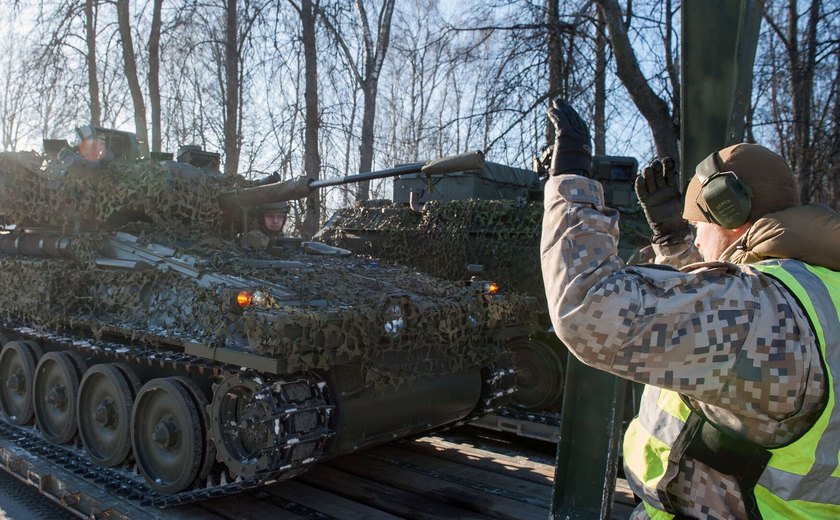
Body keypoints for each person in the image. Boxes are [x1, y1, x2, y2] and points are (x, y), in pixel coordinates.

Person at [541, 97, 840, 519]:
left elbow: (589, 307)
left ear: (731, 213)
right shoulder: (817, 292)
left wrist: (570, 183)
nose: (697, 240)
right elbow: (719, 346)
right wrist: (673, 246)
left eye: (699, 226)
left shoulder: (761, 310)